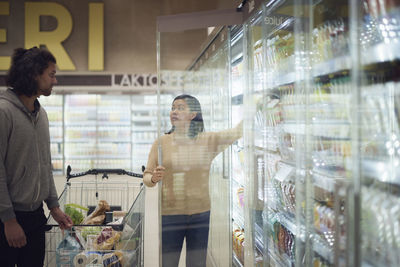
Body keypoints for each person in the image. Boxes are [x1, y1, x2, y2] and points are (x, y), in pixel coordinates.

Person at [143, 94, 242, 267]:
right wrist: (153, 178)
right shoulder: (161, 142)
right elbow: (147, 176)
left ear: (193, 114)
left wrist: (256, 106)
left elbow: (236, 133)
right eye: (173, 108)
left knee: (197, 263)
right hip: (170, 214)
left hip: (201, 214)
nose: (174, 111)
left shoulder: (207, 140)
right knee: (168, 263)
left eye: (180, 108)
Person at [0, 47, 73, 267]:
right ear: (34, 74)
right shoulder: (4, 112)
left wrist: (54, 206)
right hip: (7, 219)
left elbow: (44, 164)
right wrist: (9, 219)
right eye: (51, 74)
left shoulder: (41, 115)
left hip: (35, 216)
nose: (55, 80)